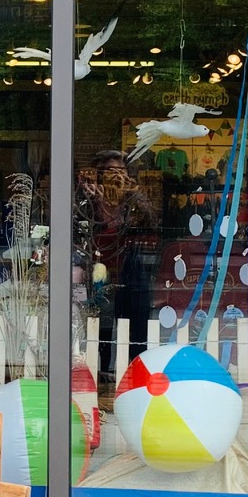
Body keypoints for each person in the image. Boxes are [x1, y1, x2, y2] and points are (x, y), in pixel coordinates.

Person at [77, 150, 158, 381]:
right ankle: (100, 373)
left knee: (136, 325)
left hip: (132, 269)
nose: (116, 176)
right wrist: (90, 196)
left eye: (121, 171)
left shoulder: (131, 200)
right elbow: (77, 225)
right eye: (110, 171)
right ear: (100, 174)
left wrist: (135, 193)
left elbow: (152, 222)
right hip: (99, 269)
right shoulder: (90, 199)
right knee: (100, 325)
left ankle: (136, 374)